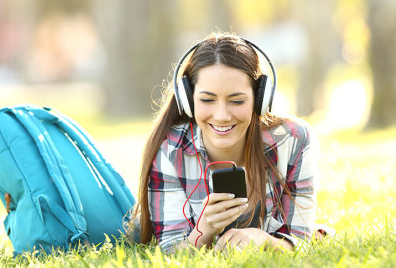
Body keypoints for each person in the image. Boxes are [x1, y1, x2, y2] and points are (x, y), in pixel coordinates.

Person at [129, 32, 318, 253]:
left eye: (237, 101)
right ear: (188, 100)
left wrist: (264, 240)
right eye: (207, 100)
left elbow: (299, 242)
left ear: (260, 99)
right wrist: (204, 230)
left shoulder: (294, 140)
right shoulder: (171, 148)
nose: (221, 116)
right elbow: (169, 252)